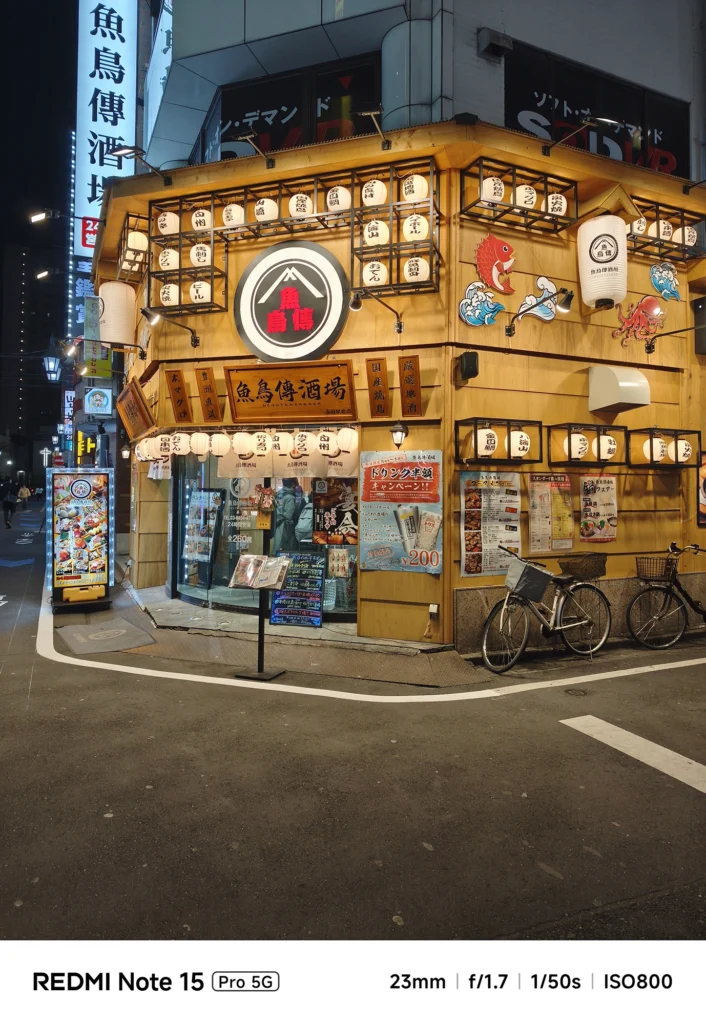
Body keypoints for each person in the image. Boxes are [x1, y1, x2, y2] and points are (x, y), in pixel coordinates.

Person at [273, 478, 298, 553]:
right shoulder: (290, 498)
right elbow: (289, 516)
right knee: (287, 552)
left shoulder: (278, 496)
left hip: (278, 527)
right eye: (296, 484)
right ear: (293, 484)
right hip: (286, 529)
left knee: (278, 549)